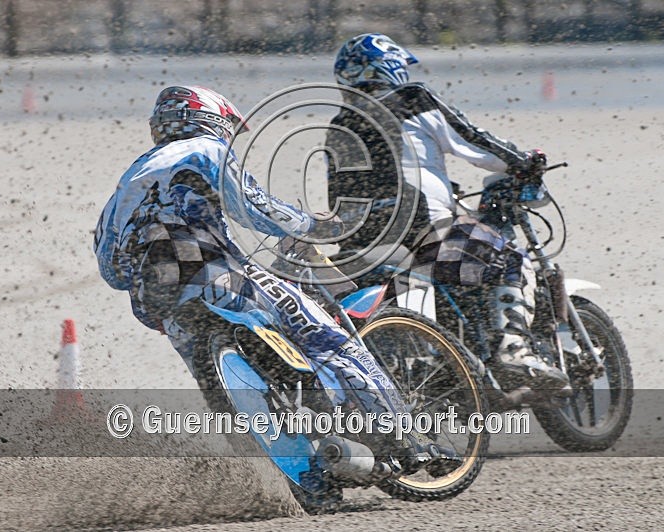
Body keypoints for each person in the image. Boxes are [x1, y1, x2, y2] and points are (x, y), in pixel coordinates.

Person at [93, 85, 433, 469]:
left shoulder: (128, 180)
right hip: (217, 273)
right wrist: (312, 226)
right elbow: (255, 209)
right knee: (328, 337)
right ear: (210, 119)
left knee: (218, 393)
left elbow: (111, 270)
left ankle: (274, 467)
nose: (228, 136)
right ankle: (404, 437)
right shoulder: (206, 150)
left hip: (159, 303)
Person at [326, 33, 569, 392]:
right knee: (509, 258)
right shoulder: (411, 99)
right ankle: (513, 353)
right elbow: (473, 138)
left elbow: (346, 193)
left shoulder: (338, 126)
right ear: (390, 68)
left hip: (359, 245)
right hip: (421, 230)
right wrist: (522, 162)